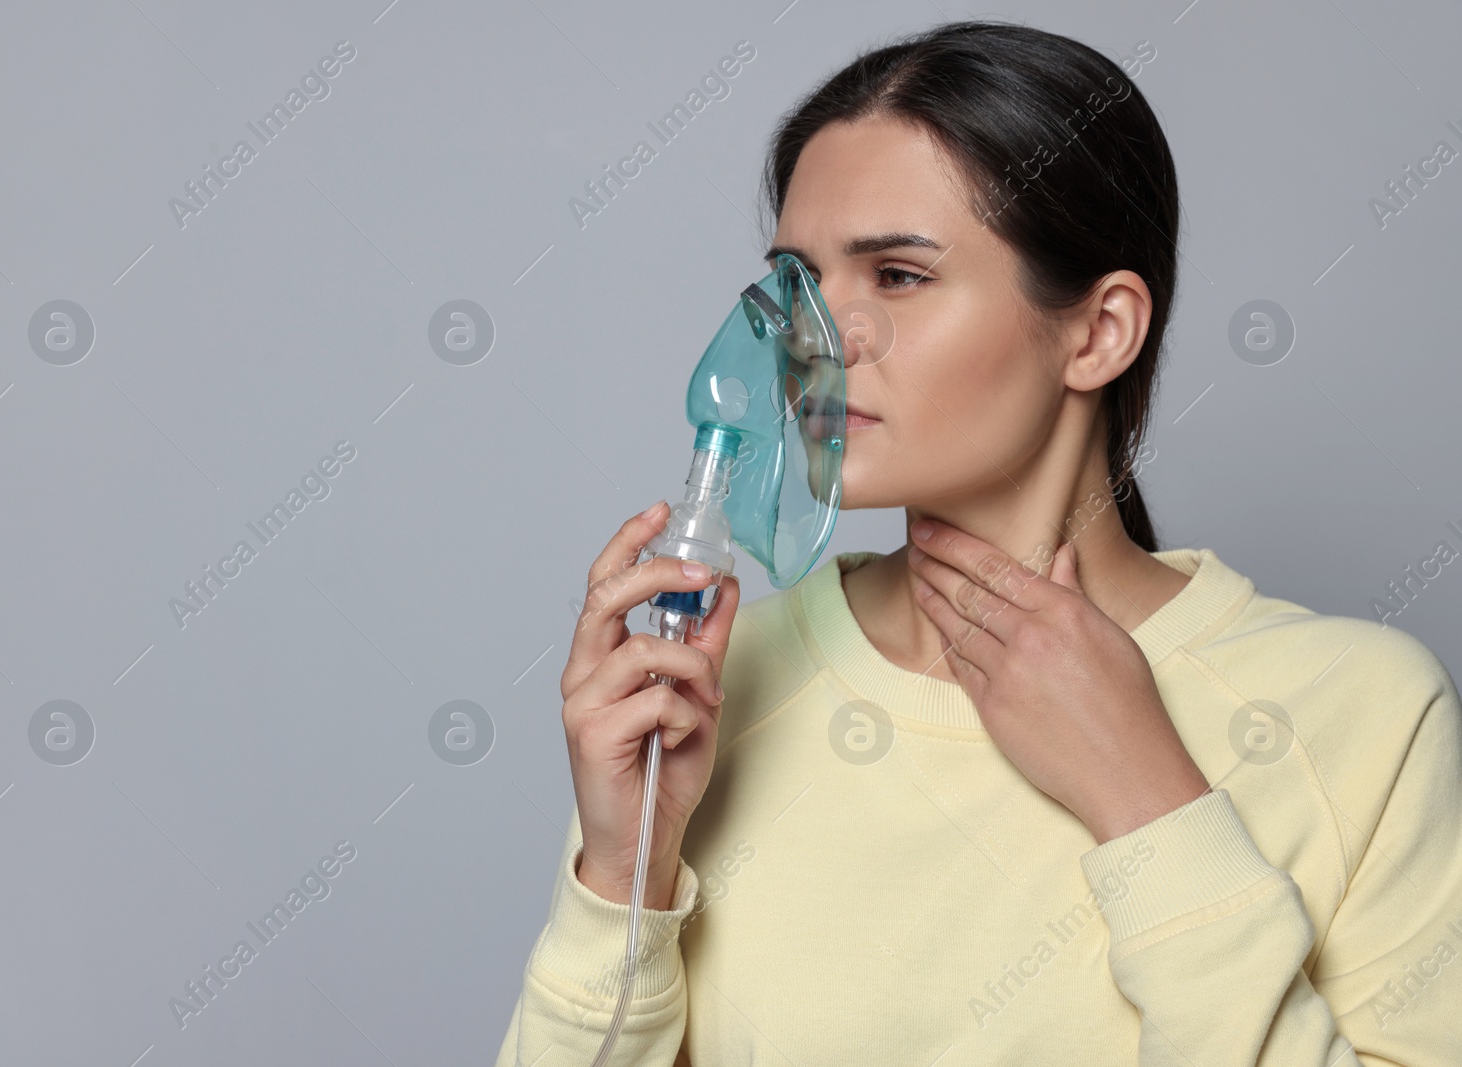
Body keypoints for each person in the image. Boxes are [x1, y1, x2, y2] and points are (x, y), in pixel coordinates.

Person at [496, 19, 1462, 1066]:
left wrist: (1146, 795)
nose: (820, 343)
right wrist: (621, 876)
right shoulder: (714, 690)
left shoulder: (1362, 712)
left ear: (1098, 332)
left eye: (899, 276)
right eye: (801, 284)